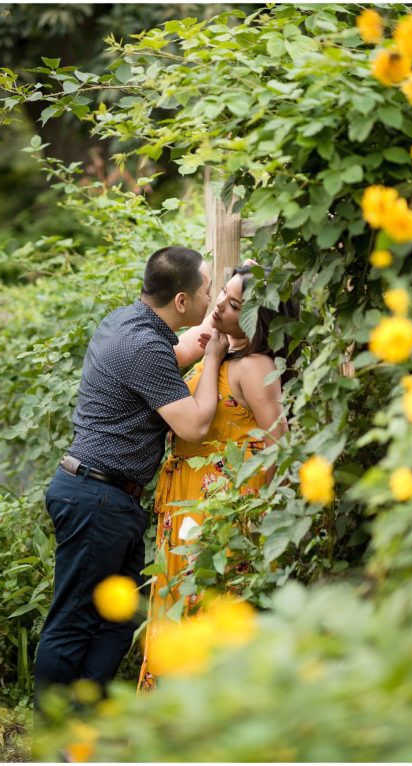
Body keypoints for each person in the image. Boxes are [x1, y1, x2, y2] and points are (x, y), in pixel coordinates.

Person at [34, 246, 228, 701]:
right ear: (181, 301)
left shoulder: (128, 322)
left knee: (117, 622)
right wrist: (216, 357)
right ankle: (52, 743)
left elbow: (174, 355)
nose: (210, 297)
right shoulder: (142, 344)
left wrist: (211, 328)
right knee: (75, 621)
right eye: (207, 292)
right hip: (95, 498)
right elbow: (194, 426)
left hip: (104, 496)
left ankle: (85, 731)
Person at [138, 263, 298, 690]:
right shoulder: (221, 352)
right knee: (177, 605)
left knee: (207, 605)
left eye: (234, 305)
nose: (221, 308)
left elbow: (281, 446)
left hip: (221, 507)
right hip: (183, 499)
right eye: (222, 297)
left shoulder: (254, 367)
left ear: (256, 319)